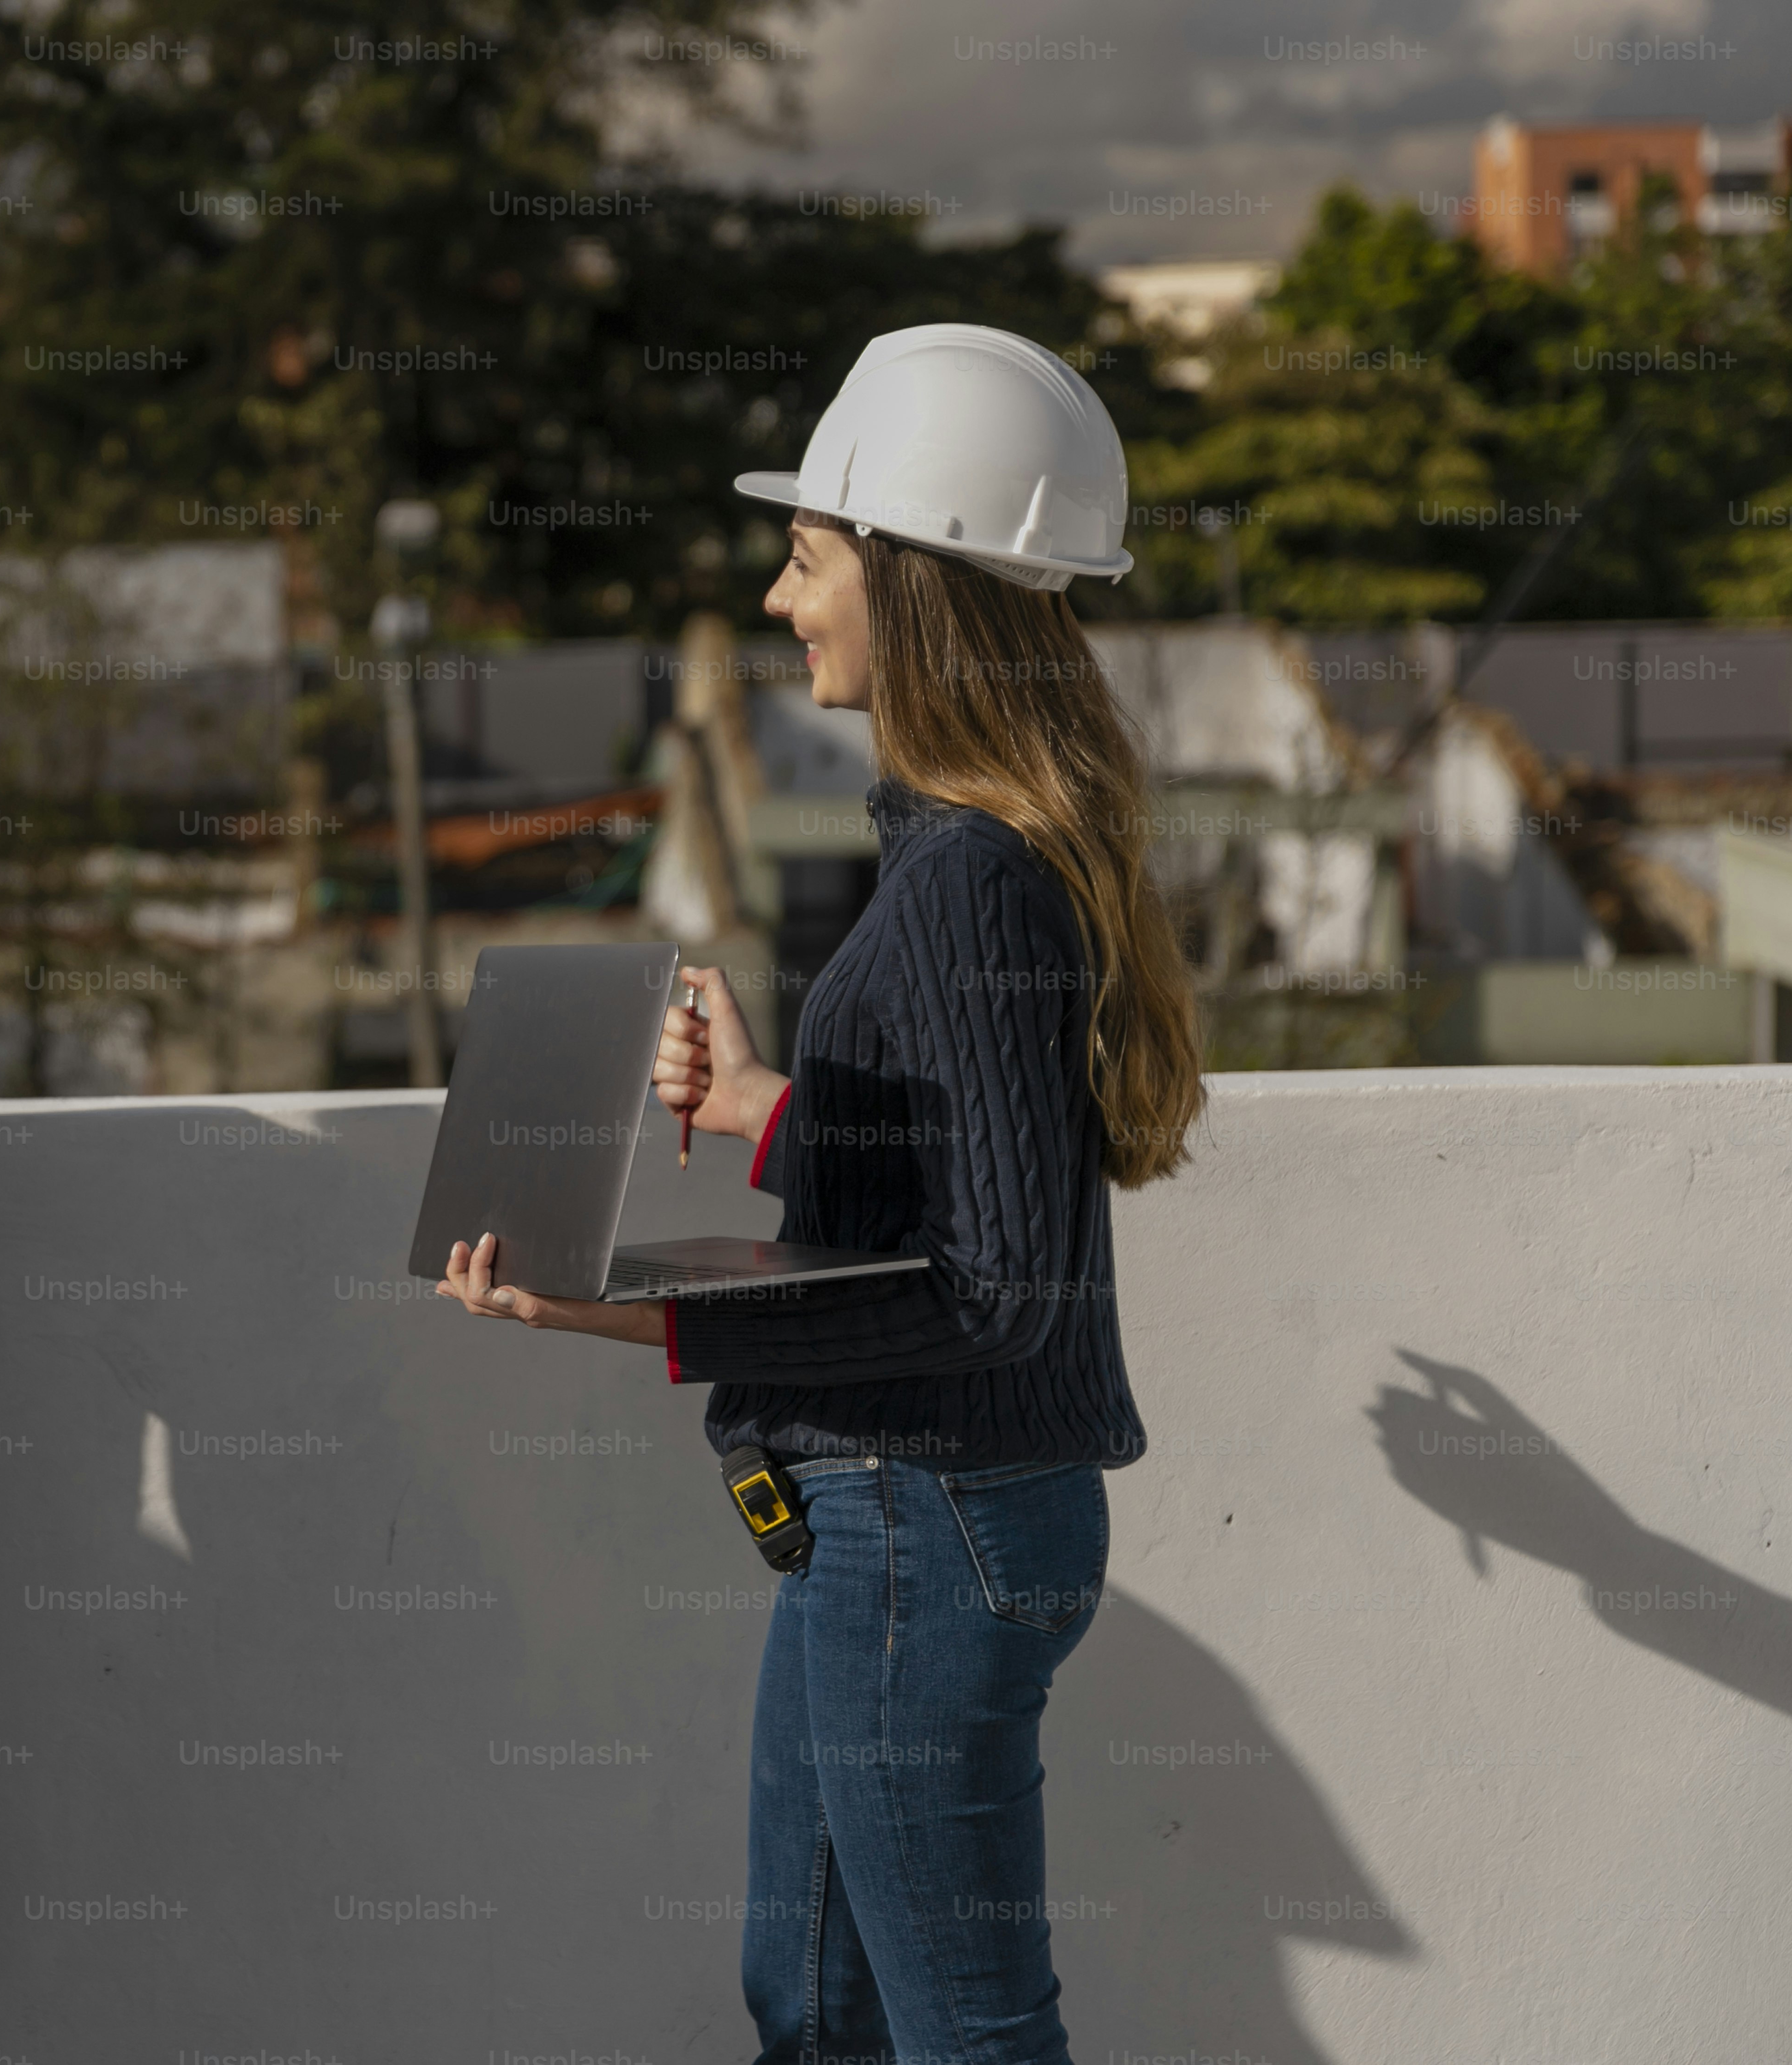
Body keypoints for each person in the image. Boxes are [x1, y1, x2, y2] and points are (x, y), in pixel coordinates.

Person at [434, 325, 1202, 2065]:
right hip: (909, 1518)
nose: (783, 600)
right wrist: (784, 1105)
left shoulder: (967, 886)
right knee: (818, 2004)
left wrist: (619, 1308)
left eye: (807, 557)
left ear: (913, 586)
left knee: (956, 2032)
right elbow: (959, 1173)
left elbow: (998, 1289)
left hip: (920, 1519)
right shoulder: (970, 854)